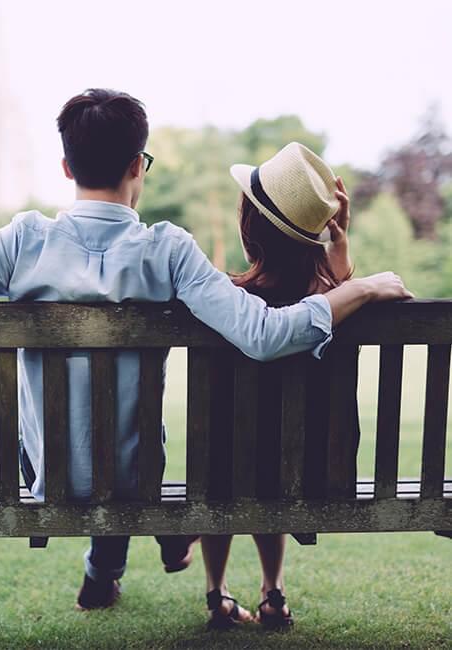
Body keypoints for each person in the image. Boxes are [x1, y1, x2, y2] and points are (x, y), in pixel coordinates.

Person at [0, 90, 412, 611]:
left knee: (70, 435)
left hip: (49, 482)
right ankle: (111, 563)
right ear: (136, 166)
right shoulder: (168, 250)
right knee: (123, 443)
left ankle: (102, 569)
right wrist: (354, 285)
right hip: (136, 480)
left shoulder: (24, 242)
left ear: (66, 167)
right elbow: (264, 334)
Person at [200, 142, 364, 630]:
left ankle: (217, 593)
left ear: (249, 228)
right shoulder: (338, 306)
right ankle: (273, 591)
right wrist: (341, 259)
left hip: (225, 476)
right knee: (268, 458)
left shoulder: (228, 302)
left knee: (227, 457)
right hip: (315, 475)